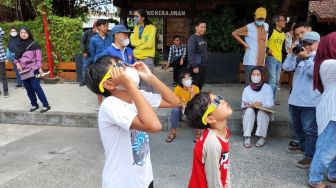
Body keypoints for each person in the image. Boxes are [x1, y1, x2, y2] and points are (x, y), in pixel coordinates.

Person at [85, 55, 179, 188]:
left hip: (145, 178)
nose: (126, 68)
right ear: (109, 83)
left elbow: (174, 101)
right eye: (118, 68)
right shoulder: (110, 105)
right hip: (122, 183)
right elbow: (154, 126)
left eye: (123, 64)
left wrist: (150, 78)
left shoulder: (136, 96)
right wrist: (129, 84)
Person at [283, 31, 321, 169]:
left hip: (311, 102)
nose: (307, 46)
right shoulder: (300, 57)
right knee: (298, 128)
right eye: (304, 43)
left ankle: (310, 156)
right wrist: (292, 54)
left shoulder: (321, 58)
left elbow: (316, 74)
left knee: (310, 130)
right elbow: (286, 67)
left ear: (318, 43)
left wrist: (306, 59)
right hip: (294, 100)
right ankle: (303, 146)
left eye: (310, 44)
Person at [185, 92, 232, 188]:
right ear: (210, 118)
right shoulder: (212, 143)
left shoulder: (224, 131)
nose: (222, 101)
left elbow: (224, 165)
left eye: (219, 98)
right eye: (216, 103)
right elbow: (213, 181)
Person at [308, 32, 336, 188]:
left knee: (333, 147)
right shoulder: (328, 64)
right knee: (326, 148)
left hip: (332, 110)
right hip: (332, 112)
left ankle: (333, 174)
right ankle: (315, 179)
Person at [14, 27, 51, 113]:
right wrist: (17, 64)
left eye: (25, 33)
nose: (23, 34)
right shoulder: (17, 45)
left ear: (29, 34)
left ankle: (46, 105)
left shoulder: (35, 45)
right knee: (28, 89)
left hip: (35, 71)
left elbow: (39, 59)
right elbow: (15, 58)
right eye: (21, 33)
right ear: (19, 34)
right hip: (23, 72)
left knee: (36, 87)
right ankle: (34, 104)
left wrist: (36, 68)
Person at [232, 7, 269, 85]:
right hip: (250, 60)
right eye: (259, 18)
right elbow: (234, 33)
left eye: (262, 19)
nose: (260, 20)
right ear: (254, 17)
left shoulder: (266, 26)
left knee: (259, 84)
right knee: (249, 84)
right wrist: (245, 44)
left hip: (261, 61)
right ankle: (247, 97)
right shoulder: (249, 27)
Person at [241, 67, 274, 148]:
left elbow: (271, 103)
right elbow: (243, 104)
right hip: (250, 111)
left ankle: (262, 137)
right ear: (250, 76)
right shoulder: (246, 89)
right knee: (249, 111)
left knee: (262, 112)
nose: (255, 76)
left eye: (258, 74)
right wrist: (250, 105)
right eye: (253, 74)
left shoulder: (267, 87)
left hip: (264, 111)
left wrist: (261, 104)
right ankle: (247, 137)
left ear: (262, 76)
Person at [165, 72, 199, 142]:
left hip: (191, 111)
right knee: (175, 110)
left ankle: (198, 134)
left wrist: (192, 93)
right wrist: (183, 105)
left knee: (198, 109)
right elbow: (174, 102)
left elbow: (196, 103)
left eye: (189, 78)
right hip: (181, 110)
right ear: (181, 80)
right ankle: (173, 133)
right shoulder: (177, 89)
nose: (188, 80)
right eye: (186, 78)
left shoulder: (196, 88)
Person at [130, 9, 157, 92]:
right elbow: (132, 42)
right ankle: (141, 100)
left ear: (143, 18)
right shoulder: (135, 28)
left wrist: (138, 46)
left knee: (149, 80)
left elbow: (149, 44)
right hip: (136, 58)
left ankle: (151, 101)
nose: (134, 18)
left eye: (137, 16)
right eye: (134, 16)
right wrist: (142, 42)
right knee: (138, 80)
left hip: (147, 58)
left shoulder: (151, 28)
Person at [89, 19, 113, 108]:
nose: (106, 28)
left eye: (107, 26)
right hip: (99, 65)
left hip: (110, 64)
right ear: (99, 27)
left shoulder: (111, 37)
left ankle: (110, 104)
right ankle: (100, 104)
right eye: (104, 26)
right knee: (99, 84)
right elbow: (92, 53)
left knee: (111, 83)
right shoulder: (93, 39)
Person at [266, 15, 286, 105]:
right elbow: (263, 41)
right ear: (277, 22)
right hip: (271, 58)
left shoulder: (283, 34)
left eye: (284, 20)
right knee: (272, 80)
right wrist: (267, 50)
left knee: (277, 82)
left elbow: (282, 48)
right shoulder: (271, 31)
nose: (284, 22)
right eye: (282, 20)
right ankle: (268, 99)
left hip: (280, 59)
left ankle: (273, 99)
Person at [187, 19, 208, 91]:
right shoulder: (192, 39)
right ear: (196, 27)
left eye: (205, 27)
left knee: (199, 86)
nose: (204, 29)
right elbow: (191, 53)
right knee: (194, 86)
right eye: (202, 27)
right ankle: (192, 101)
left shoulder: (202, 37)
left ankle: (197, 101)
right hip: (196, 67)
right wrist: (194, 66)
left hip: (203, 66)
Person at [79, 21, 98, 86]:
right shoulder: (87, 32)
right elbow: (82, 42)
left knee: (95, 69)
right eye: (98, 27)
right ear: (95, 26)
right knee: (85, 68)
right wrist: (84, 51)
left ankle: (93, 82)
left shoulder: (98, 34)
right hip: (88, 54)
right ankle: (83, 81)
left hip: (96, 55)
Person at [0, 27, 9, 97]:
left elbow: (2, 32)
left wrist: (5, 58)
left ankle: (6, 91)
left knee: (3, 75)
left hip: (1, 59)